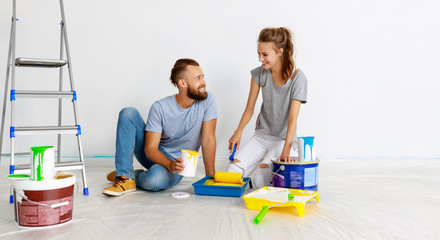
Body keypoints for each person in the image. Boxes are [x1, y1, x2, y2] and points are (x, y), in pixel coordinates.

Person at [103, 58, 218, 196]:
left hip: (178, 164)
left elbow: (208, 140)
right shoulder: (160, 107)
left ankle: (131, 174)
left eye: (203, 77)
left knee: (154, 181)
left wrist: (210, 178)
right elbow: (150, 148)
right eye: (198, 78)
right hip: (153, 154)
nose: (204, 82)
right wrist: (169, 163)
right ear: (182, 83)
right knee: (128, 113)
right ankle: (124, 178)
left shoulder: (207, 100)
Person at [227, 27, 307, 189]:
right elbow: (249, 108)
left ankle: (278, 166)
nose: (260, 58)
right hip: (262, 137)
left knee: (259, 182)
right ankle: (263, 172)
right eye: (258, 53)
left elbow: (292, 119)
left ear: (280, 52)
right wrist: (238, 131)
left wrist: (286, 150)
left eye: (264, 54)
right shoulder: (259, 74)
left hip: (283, 140)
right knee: (230, 173)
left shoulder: (298, 78)